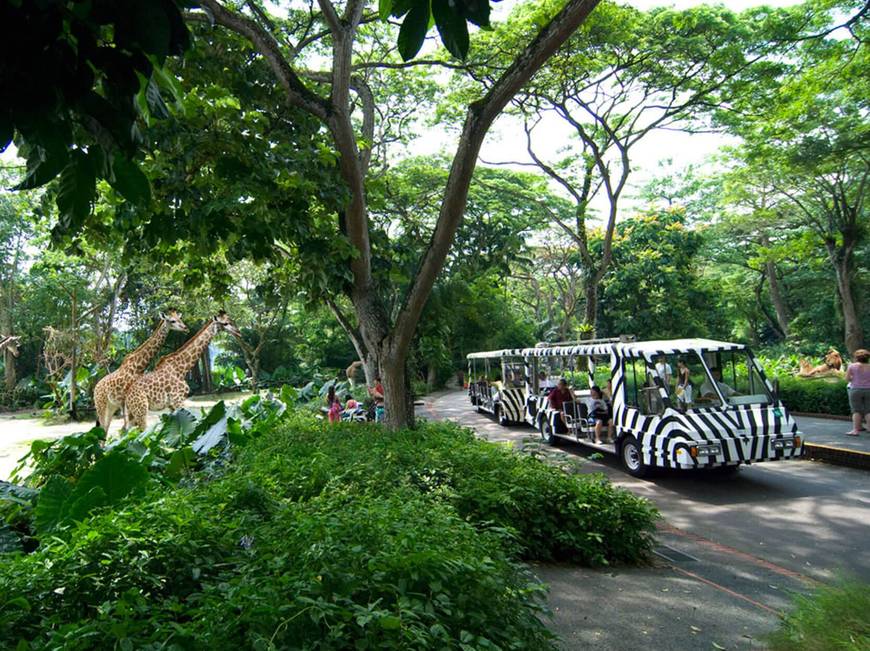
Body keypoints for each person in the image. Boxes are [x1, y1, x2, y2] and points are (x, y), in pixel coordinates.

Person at [845, 348, 870, 436]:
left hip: (855, 389)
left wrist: (854, 379)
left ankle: (855, 430)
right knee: (868, 410)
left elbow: (847, 379)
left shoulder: (852, 366)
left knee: (856, 410)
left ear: (856, 357)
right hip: (868, 390)